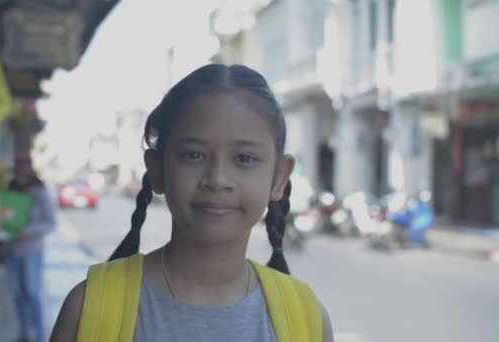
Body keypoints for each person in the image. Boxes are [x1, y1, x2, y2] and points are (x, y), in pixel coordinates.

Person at [50, 64, 334, 341]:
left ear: (279, 179)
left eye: (245, 159)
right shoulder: (90, 309)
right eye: (194, 155)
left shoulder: (307, 319)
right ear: (157, 170)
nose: (218, 179)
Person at [5, 155, 56, 342]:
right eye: (17, 168)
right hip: (12, 250)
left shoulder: (40, 192)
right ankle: (24, 334)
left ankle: (40, 335)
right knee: (18, 294)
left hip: (32, 250)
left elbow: (50, 223)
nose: (20, 172)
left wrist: (30, 231)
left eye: (23, 167)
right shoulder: (10, 189)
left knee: (32, 293)